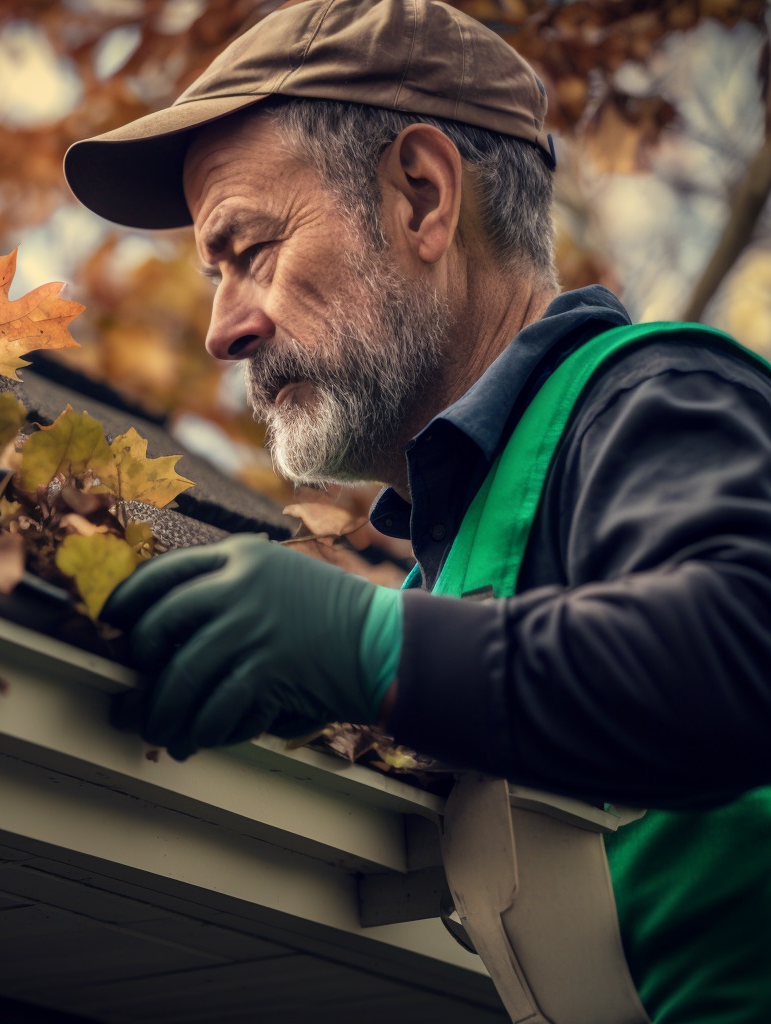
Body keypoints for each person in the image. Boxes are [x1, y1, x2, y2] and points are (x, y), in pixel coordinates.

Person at [64, 1, 771, 1020]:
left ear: (422, 196)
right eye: (212, 275)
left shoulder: (649, 399)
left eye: (251, 249)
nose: (222, 329)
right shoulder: (461, 552)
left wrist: (372, 646)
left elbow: (745, 651)